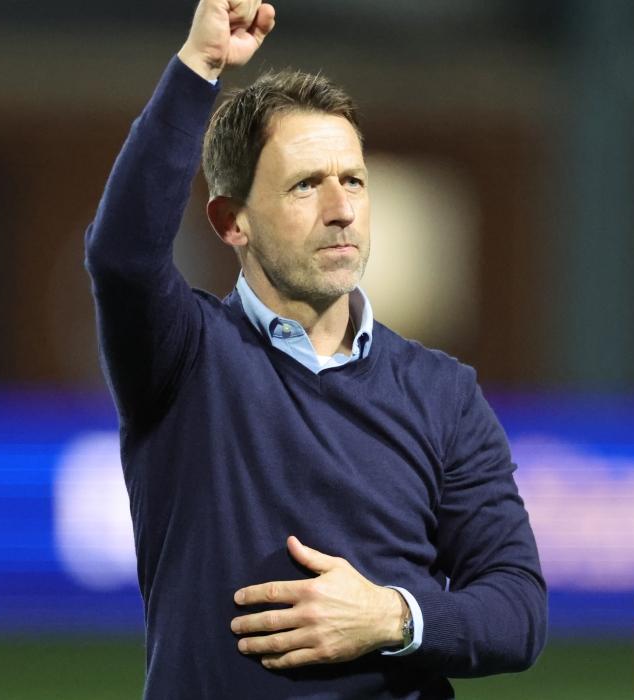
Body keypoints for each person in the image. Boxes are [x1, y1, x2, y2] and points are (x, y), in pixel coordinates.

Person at [83, 1, 547, 697]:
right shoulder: (186, 360)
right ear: (231, 221)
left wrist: (392, 616)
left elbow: (518, 608)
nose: (342, 210)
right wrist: (199, 66)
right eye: (306, 185)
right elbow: (122, 257)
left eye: (353, 180)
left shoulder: (443, 394)